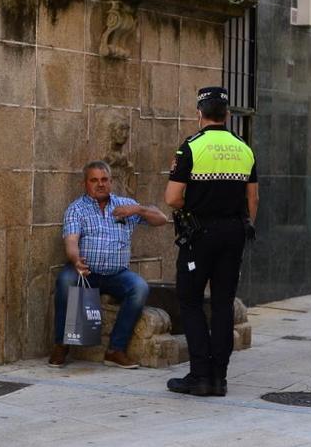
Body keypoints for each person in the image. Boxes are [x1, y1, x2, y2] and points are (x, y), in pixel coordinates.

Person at [164, 87, 258, 397]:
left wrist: (196, 205)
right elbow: (252, 199)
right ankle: (219, 378)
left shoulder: (191, 147)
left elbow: (172, 198)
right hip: (234, 234)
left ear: (199, 113)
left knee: (190, 301)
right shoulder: (244, 148)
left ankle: (200, 375)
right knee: (222, 305)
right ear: (227, 114)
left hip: (200, 234)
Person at [49, 160, 168, 369]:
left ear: (111, 182)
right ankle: (61, 344)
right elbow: (71, 241)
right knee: (65, 280)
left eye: (104, 180)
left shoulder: (125, 205)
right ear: (85, 183)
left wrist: (138, 209)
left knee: (139, 287)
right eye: (94, 180)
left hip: (117, 274)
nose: (100, 184)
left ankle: (115, 350)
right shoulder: (77, 209)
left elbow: (162, 219)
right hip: (86, 272)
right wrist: (76, 260)